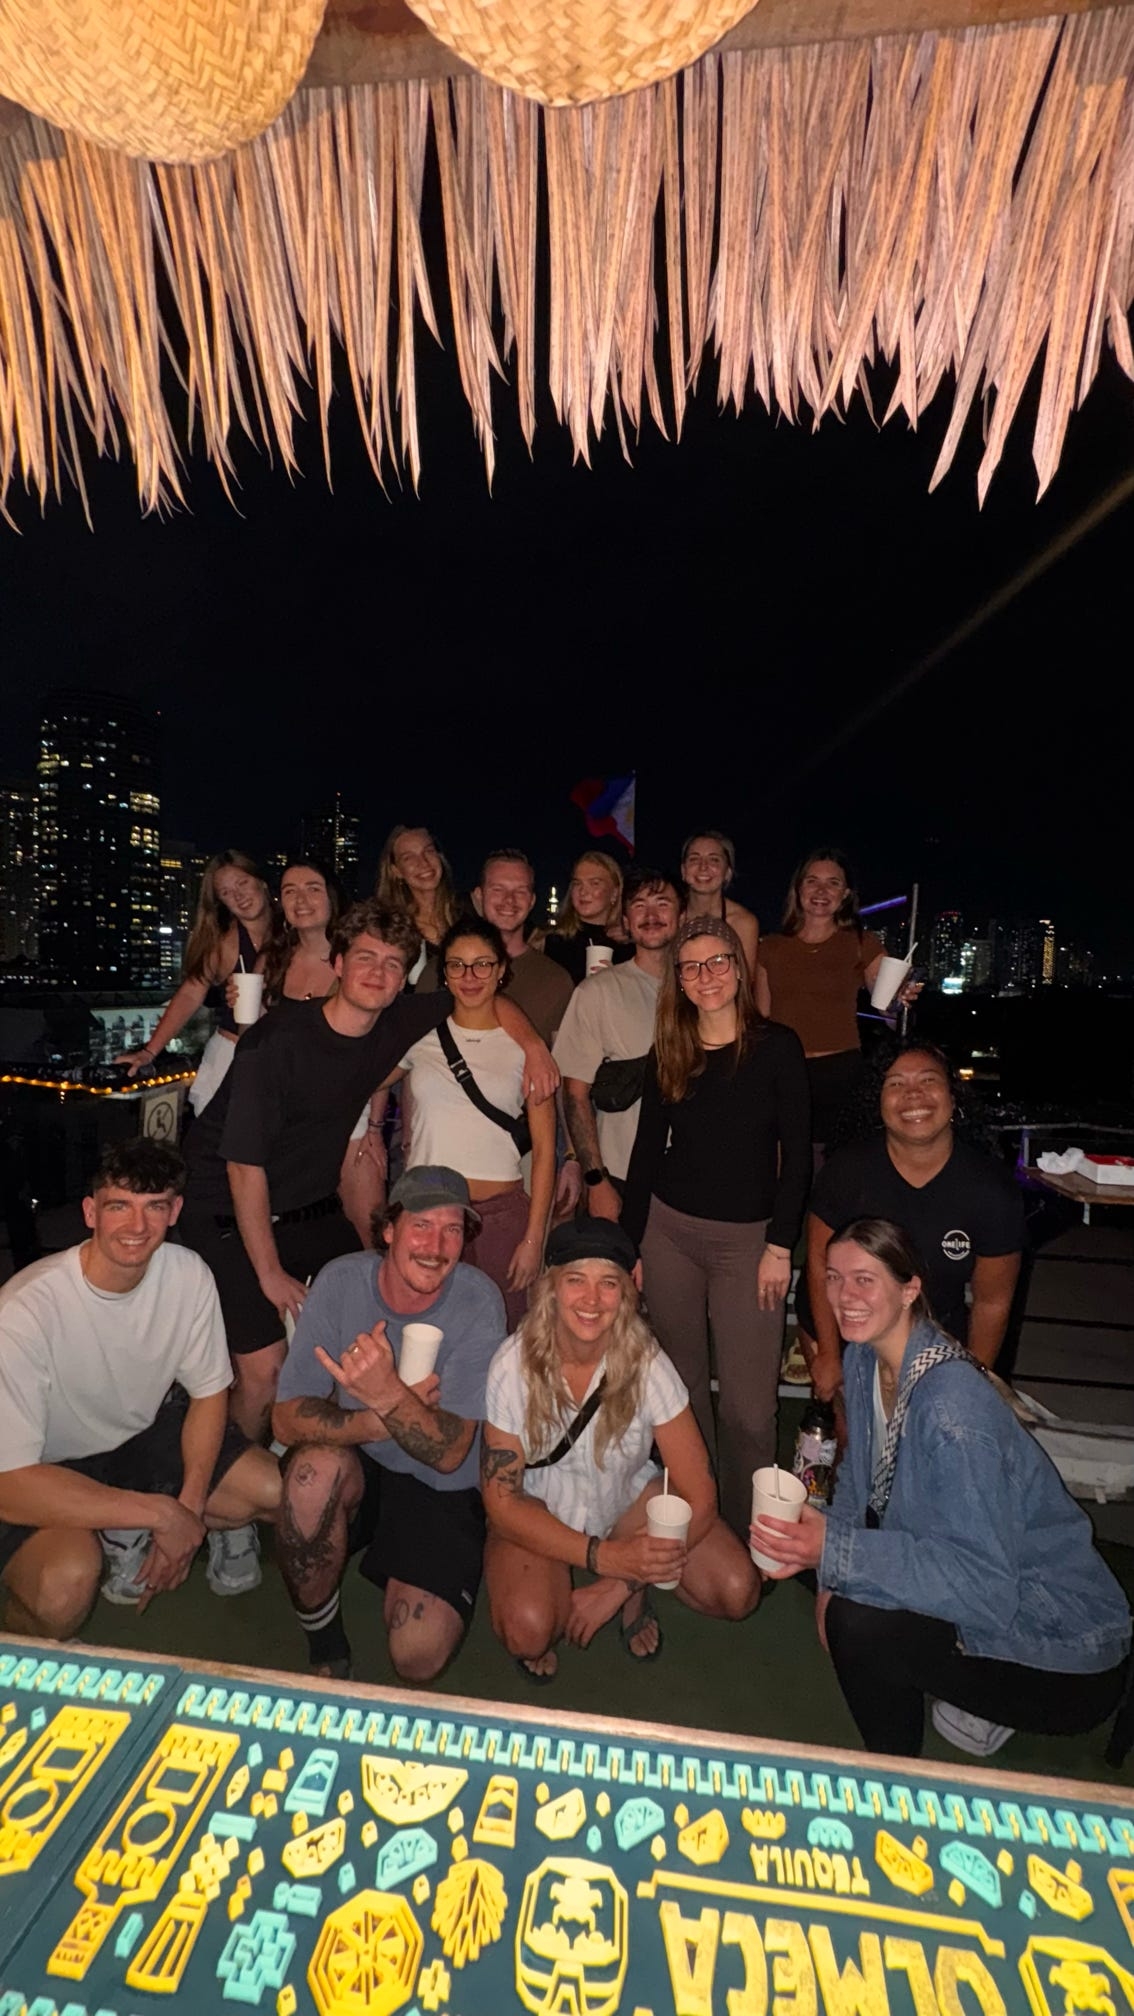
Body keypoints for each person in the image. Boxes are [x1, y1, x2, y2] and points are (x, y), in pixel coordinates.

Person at [179, 900, 555, 1445]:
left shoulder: (394, 1024)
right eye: (365, 958)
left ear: (403, 980)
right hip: (225, 1213)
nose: (378, 973)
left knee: (372, 1327)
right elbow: (243, 1167)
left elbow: (478, 989)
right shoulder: (276, 1041)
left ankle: (344, 1453)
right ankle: (235, 1470)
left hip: (310, 1209)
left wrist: (534, 1044)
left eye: (392, 964)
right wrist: (269, 1272)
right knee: (266, 1369)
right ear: (337, 963)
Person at [753, 1217, 1130, 1760]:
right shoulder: (864, 1358)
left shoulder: (952, 1412)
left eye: (865, 1279)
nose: (843, 1296)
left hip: (1058, 1647)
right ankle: (960, 1688)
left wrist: (836, 1559)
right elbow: (857, 1488)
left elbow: (985, 1588)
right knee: (809, 1557)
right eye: (834, 1277)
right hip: (982, 1585)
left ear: (910, 1289)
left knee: (855, 1622)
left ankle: (896, 1771)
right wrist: (829, 1566)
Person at [0, 1139, 280, 1637]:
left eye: (154, 1206)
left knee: (274, 1491)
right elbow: (10, 1485)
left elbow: (209, 1395)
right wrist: (163, 1515)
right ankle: (123, 1521)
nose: (137, 1226)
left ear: (175, 1211)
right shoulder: (24, 1312)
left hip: (139, 1440)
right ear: (90, 1212)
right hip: (44, 1468)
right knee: (63, 1587)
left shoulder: (189, 1274)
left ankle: (123, 1521)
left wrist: (189, 1510)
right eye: (119, 1206)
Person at [481, 1220, 760, 1682]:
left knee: (737, 1589)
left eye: (608, 1283)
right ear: (551, 1288)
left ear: (628, 1292)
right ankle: (550, 1579)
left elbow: (700, 1497)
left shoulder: (648, 1363)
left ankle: (634, 1593)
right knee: (529, 1631)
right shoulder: (511, 1366)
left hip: (626, 1503)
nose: (592, 1300)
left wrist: (619, 1583)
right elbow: (502, 1502)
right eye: (576, 1280)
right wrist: (603, 1558)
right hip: (540, 1508)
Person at [272, 1166, 507, 1682]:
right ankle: (324, 1639)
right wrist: (378, 1419)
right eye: (421, 1225)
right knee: (309, 1480)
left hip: (439, 1485)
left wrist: (385, 1391)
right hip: (362, 1461)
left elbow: (451, 1453)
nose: (436, 1246)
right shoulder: (341, 1281)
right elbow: (285, 1420)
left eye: (452, 1229)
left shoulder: (478, 1300)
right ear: (388, 1230)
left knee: (417, 1656)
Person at [622, 915, 811, 1536]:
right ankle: (699, 1522)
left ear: (738, 967)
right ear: (678, 979)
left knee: (749, 1410)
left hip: (749, 1244)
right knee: (680, 1395)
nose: (706, 976)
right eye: (691, 967)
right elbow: (646, 1153)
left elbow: (798, 1156)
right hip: (669, 1233)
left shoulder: (777, 1048)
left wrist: (780, 1244)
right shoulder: (669, 1049)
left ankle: (754, 1530)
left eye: (718, 962)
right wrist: (629, 1245)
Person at [800, 1041, 1024, 1402]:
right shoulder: (846, 1174)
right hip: (846, 1329)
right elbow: (817, 1263)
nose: (913, 1094)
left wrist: (972, 1377)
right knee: (853, 1431)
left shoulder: (991, 1191)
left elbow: (992, 1302)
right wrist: (828, 1353)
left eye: (928, 1080)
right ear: (878, 1102)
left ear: (953, 1098)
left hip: (935, 1335)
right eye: (896, 1084)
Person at [382, 916, 557, 1329]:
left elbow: (545, 1151)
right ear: (444, 973)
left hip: (500, 1218)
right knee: (422, 1332)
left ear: (500, 970)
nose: (470, 976)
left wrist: (534, 1239)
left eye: (482, 965)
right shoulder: (420, 1037)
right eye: (457, 965)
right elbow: (360, 1077)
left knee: (504, 1335)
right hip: (426, 1214)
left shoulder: (527, 1050)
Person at [259, 858, 385, 1246]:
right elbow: (258, 1043)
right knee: (290, 1224)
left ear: (331, 896)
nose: (301, 900)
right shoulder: (272, 961)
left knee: (371, 1227)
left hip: (348, 1109)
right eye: (290, 891)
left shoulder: (359, 959)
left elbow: (382, 1046)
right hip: (288, 1113)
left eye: (312, 889)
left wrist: (375, 1126)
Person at [554, 867, 683, 1219]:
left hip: (692, 1176)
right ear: (626, 920)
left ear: (682, 915)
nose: (651, 915)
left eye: (663, 903)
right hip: (621, 1173)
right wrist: (596, 1181)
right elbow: (575, 1094)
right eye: (639, 905)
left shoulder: (703, 990)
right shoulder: (597, 992)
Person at [757, 850, 904, 1150]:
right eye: (812, 881)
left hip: (840, 1071)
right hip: (784, 1069)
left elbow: (890, 1011)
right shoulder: (770, 947)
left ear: (845, 893)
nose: (821, 891)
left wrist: (901, 1000)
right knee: (783, 1159)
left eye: (833, 883)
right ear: (798, 888)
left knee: (837, 1162)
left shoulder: (862, 943)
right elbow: (761, 1019)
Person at [115, 850, 275, 1113]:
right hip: (231, 1056)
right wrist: (150, 1052)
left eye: (243, 883)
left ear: (262, 882)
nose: (238, 896)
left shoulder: (292, 931)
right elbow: (191, 992)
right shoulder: (226, 943)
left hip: (279, 1057)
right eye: (226, 892)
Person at [473, 849, 574, 1045]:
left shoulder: (556, 982)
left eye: (520, 891)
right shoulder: (446, 970)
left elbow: (562, 1056)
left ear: (532, 901)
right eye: (498, 889)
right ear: (479, 895)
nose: (509, 900)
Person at [375, 825, 459, 984]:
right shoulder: (391, 928)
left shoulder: (468, 914)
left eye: (428, 851)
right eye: (409, 858)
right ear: (396, 871)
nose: (423, 863)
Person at [542, 852, 633, 985]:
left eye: (594, 883)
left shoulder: (629, 946)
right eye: (577, 883)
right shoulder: (550, 940)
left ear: (614, 893)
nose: (583, 892)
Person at [681, 831, 759, 974]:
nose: (703, 867)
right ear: (683, 871)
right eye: (694, 859)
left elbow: (745, 981)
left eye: (714, 860)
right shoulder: (671, 917)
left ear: (727, 873)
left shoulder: (743, 923)